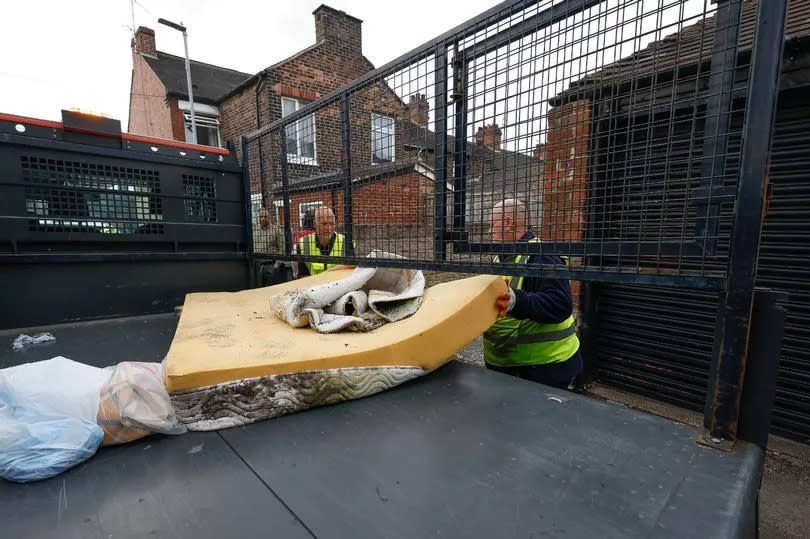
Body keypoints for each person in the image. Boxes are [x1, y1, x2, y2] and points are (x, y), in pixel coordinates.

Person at [485, 199, 582, 389]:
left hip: (545, 368)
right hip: (507, 367)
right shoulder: (500, 258)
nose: (489, 231)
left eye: (492, 224)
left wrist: (516, 301)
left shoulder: (542, 256)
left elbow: (560, 304)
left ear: (508, 222)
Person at [295, 206, 356, 278]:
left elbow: (351, 273)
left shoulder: (346, 243)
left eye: (331, 223)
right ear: (314, 224)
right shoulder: (304, 243)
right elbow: (303, 276)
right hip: (314, 287)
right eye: (324, 224)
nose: (328, 228)